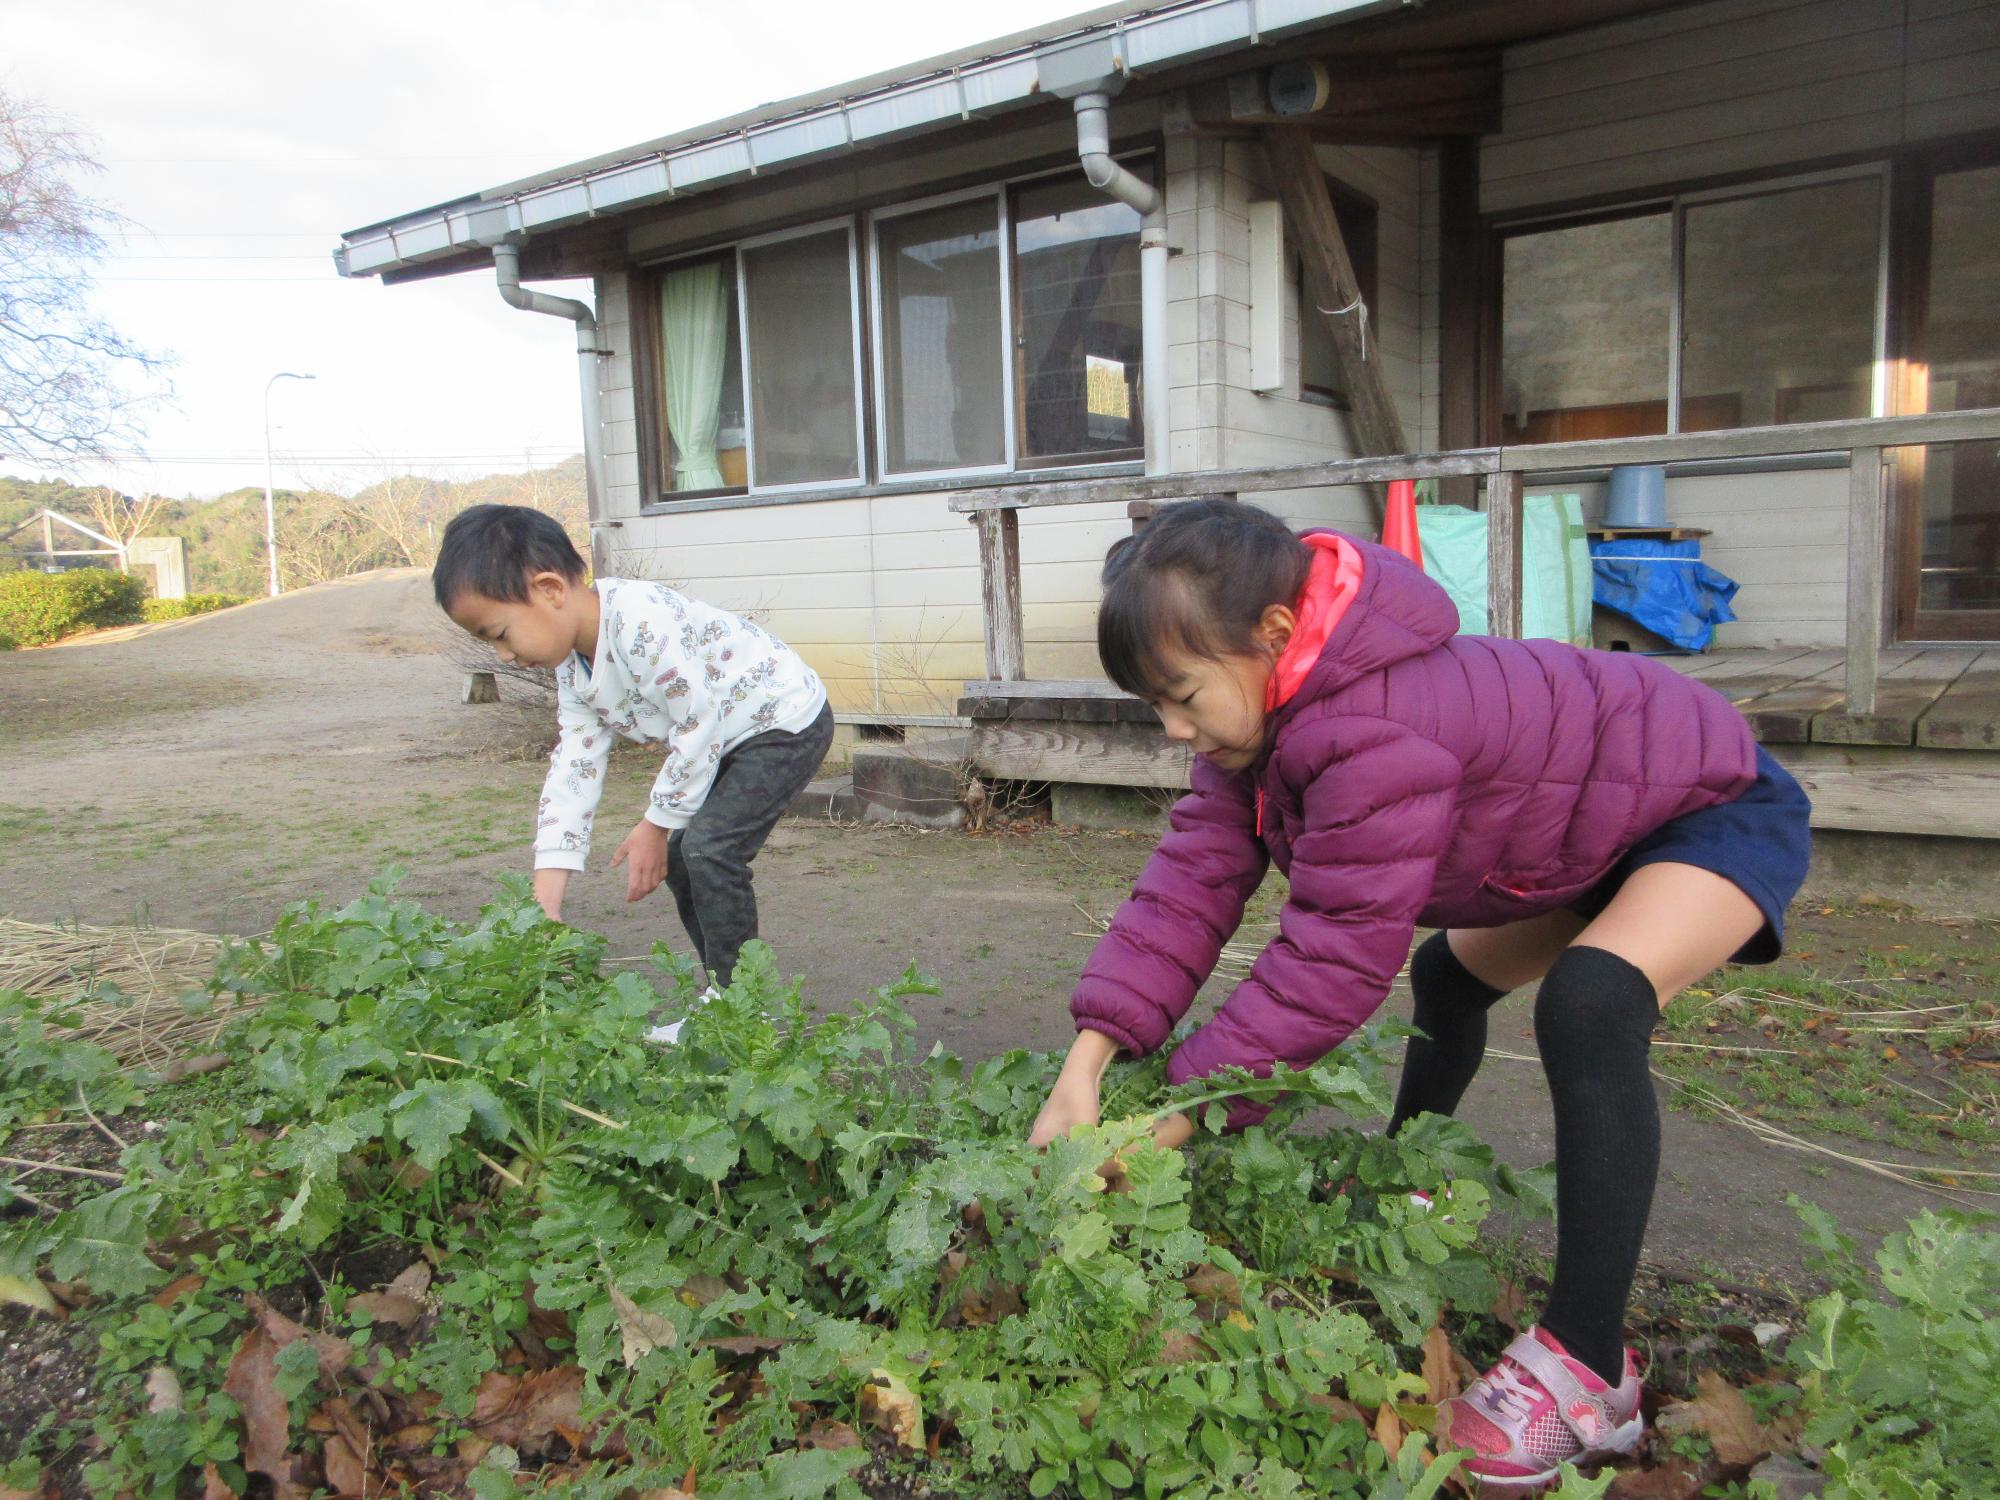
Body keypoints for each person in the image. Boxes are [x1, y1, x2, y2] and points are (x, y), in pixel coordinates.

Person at [1027, 498, 1810, 1491]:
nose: (1172, 726)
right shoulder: (1263, 717)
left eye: (1180, 693)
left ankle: (1586, 1368)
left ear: (1272, 636)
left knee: (1588, 1005)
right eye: (1154, 705)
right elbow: (1189, 883)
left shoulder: (1373, 728)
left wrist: (1173, 1123)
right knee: (1448, 974)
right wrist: (1085, 1062)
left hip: (1710, 805)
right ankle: (1408, 1181)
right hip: (1589, 822)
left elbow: (1328, 966)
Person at [432, 505, 833, 1011]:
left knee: (708, 849)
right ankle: (723, 997)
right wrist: (545, 901)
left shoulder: (640, 620)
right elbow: (573, 771)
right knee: (688, 864)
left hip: (783, 720)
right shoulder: (574, 671)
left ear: (550, 589)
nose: (503, 657)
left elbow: (698, 721)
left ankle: (742, 1011)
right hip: (726, 737)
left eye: (499, 635)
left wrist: (654, 825)